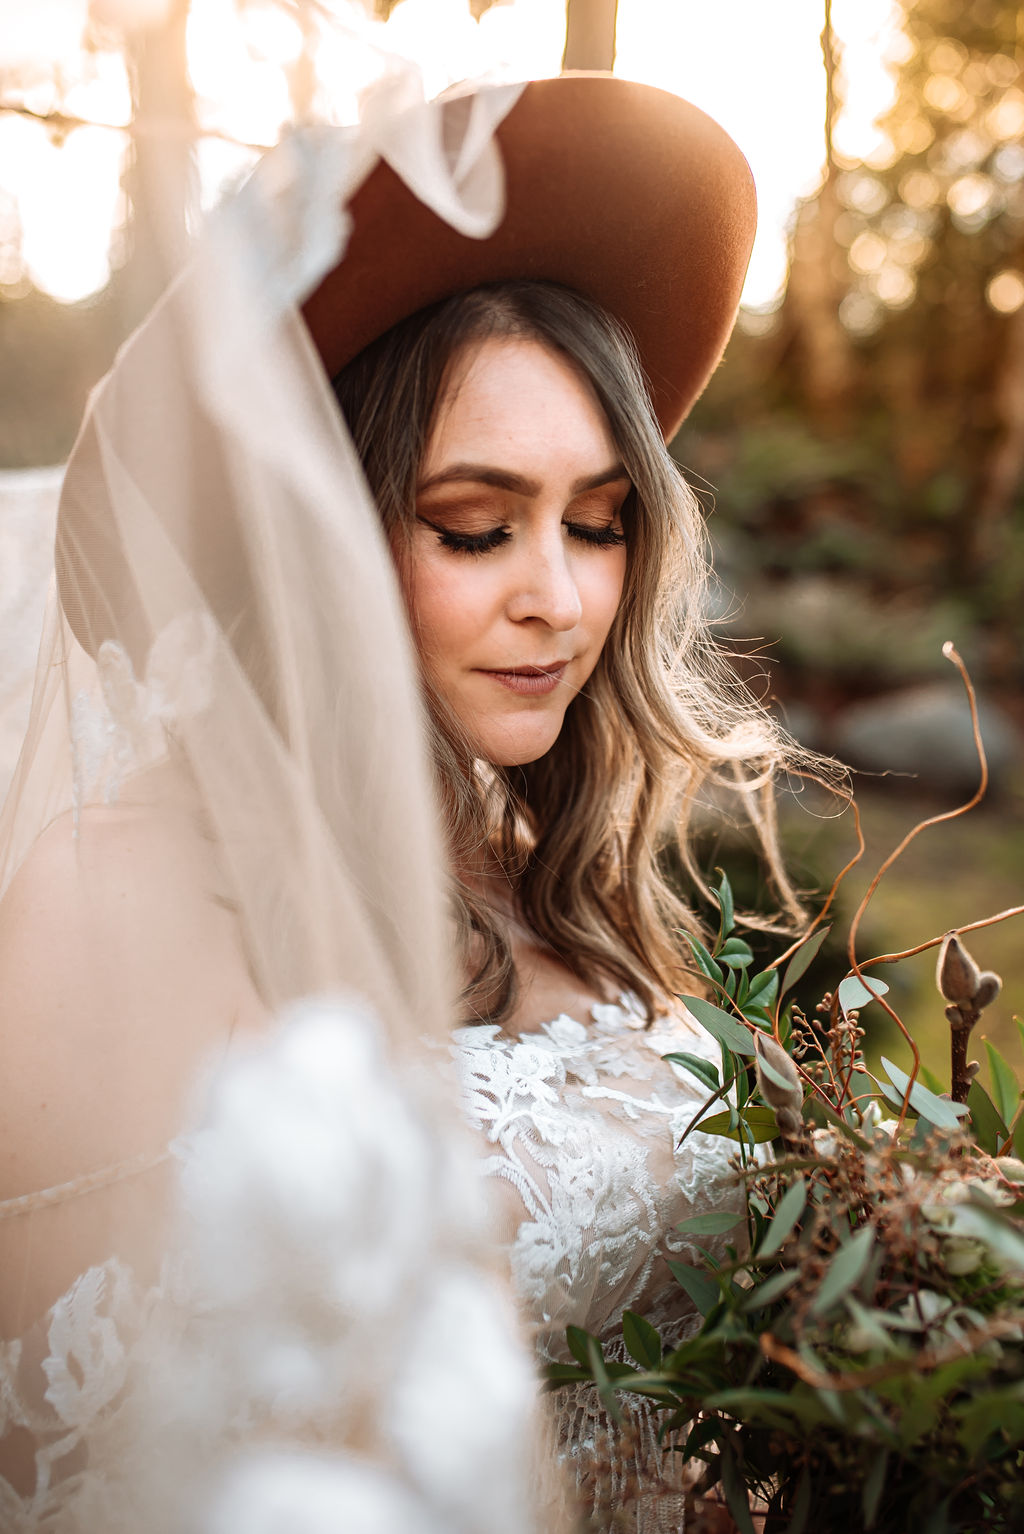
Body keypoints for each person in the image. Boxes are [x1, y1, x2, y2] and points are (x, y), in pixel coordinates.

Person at [0, 71, 808, 1533]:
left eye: (600, 521)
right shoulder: (106, 897)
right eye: (474, 525)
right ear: (313, 544)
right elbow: (60, 1460)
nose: (557, 599)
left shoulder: (564, 877)